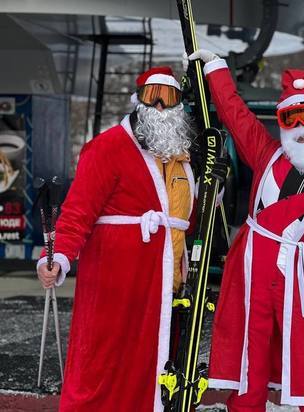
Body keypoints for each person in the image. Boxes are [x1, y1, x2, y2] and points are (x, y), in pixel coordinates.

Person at [188, 49, 304, 411]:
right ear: (281, 123)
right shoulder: (267, 154)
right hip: (253, 274)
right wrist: (216, 70)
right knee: (250, 357)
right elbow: (236, 116)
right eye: (289, 119)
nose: (299, 127)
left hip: (303, 277)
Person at [35, 66, 214, 411]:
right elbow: (77, 212)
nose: (160, 106)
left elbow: (188, 221)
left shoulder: (183, 159)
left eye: (170, 97)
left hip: (165, 287)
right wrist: (56, 256)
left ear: (180, 105)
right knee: (103, 366)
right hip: (115, 286)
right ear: (138, 100)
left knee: (155, 365)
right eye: (152, 96)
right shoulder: (106, 148)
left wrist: (212, 192)